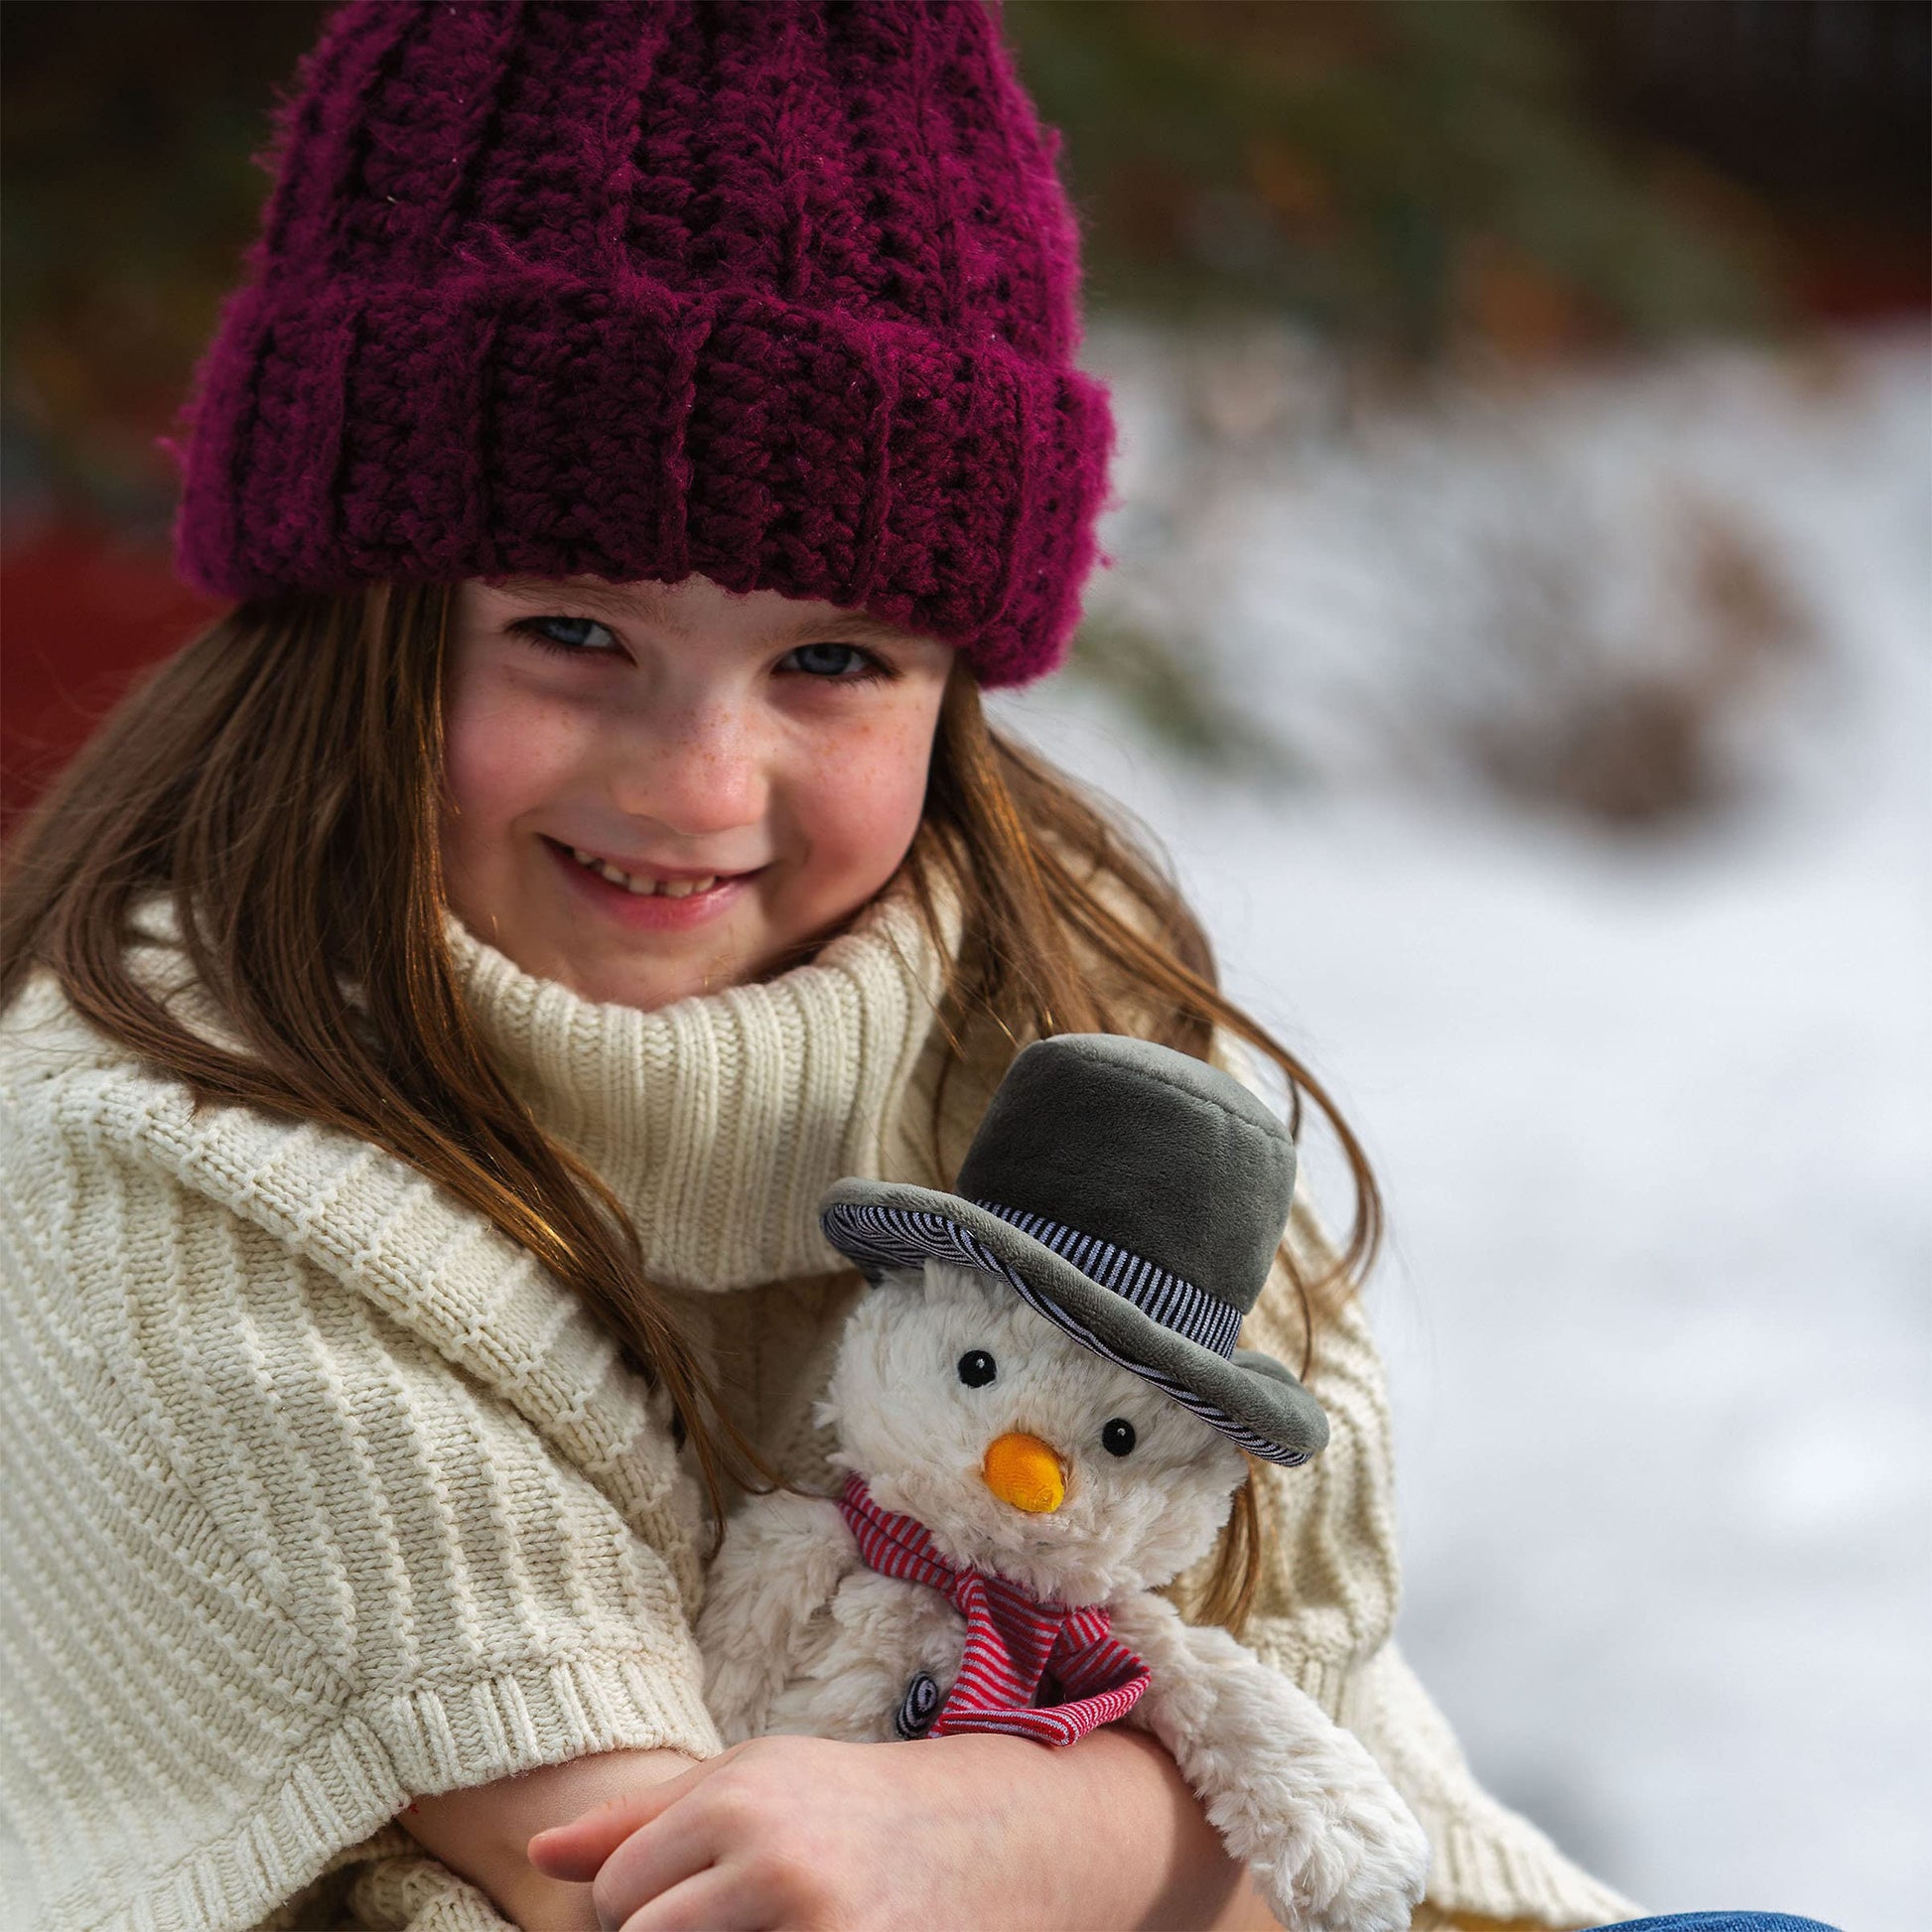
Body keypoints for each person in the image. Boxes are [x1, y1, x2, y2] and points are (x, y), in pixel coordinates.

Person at [0, 6, 1844, 1932]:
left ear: (954, 680)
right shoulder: (172, 1162)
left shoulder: (1058, 1042)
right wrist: (1080, 1838)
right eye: (572, 631)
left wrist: (1035, 1839)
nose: (700, 781)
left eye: (831, 660)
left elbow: (1322, 1756)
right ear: (354, 623)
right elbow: (661, 1893)